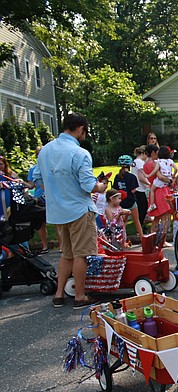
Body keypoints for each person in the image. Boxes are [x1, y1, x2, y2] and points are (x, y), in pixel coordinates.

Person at [33, 112, 107, 309]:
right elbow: (88, 185)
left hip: (57, 210)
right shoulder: (79, 153)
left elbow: (37, 178)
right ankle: (80, 296)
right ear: (81, 129)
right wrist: (101, 186)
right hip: (79, 209)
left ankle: (59, 294)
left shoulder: (46, 150)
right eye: (85, 132)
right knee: (81, 254)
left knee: (66, 253)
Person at [113, 155, 143, 240]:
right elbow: (133, 190)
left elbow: (115, 189)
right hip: (131, 201)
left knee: (123, 223)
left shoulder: (117, 177)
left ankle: (122, 240)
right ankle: (142, 239)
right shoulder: (132, 177)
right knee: (137, 221)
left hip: (121, 202)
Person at [25, 146, 49, 252]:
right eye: (39, 153)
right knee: (40, 224)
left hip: (51, 198)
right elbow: (31, 185)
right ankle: (44, 245)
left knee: (58, 223)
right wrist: (22, 183)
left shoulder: (51, 167)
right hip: (39, 198)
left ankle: (62, 246)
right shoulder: (33, 169)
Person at [147, 146, 176, 213]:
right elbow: (176, 169)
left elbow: (158, 174)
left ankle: (152, 204)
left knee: (152, 190)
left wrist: (148, 175)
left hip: (161, 180)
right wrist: (173, 176)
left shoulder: (158, 161)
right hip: (168, 178)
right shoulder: (170, 161)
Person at [132, 146, 150, 232]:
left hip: (137, 188)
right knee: (143, 208)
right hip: (139, 188)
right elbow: (141, 177)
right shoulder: (140, 162)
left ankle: (139, 226)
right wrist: (149, 184)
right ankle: (139, 227)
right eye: (146, 155)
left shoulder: (135, 161)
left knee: (141, 208)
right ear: (143, 154)